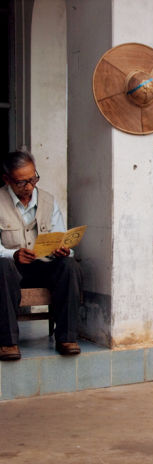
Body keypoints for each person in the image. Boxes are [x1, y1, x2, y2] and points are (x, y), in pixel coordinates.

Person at [0, 149, 82, 360]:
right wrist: (13, 254)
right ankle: (8, 342)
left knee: (69, 265)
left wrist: (63, 249)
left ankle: (67, 338)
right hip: (11, 270)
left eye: (33, 179)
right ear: (7, 179)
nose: (29, 187)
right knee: (2, 266)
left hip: (42, 265)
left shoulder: (47, 200)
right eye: (21, 183)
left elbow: (59, 233)